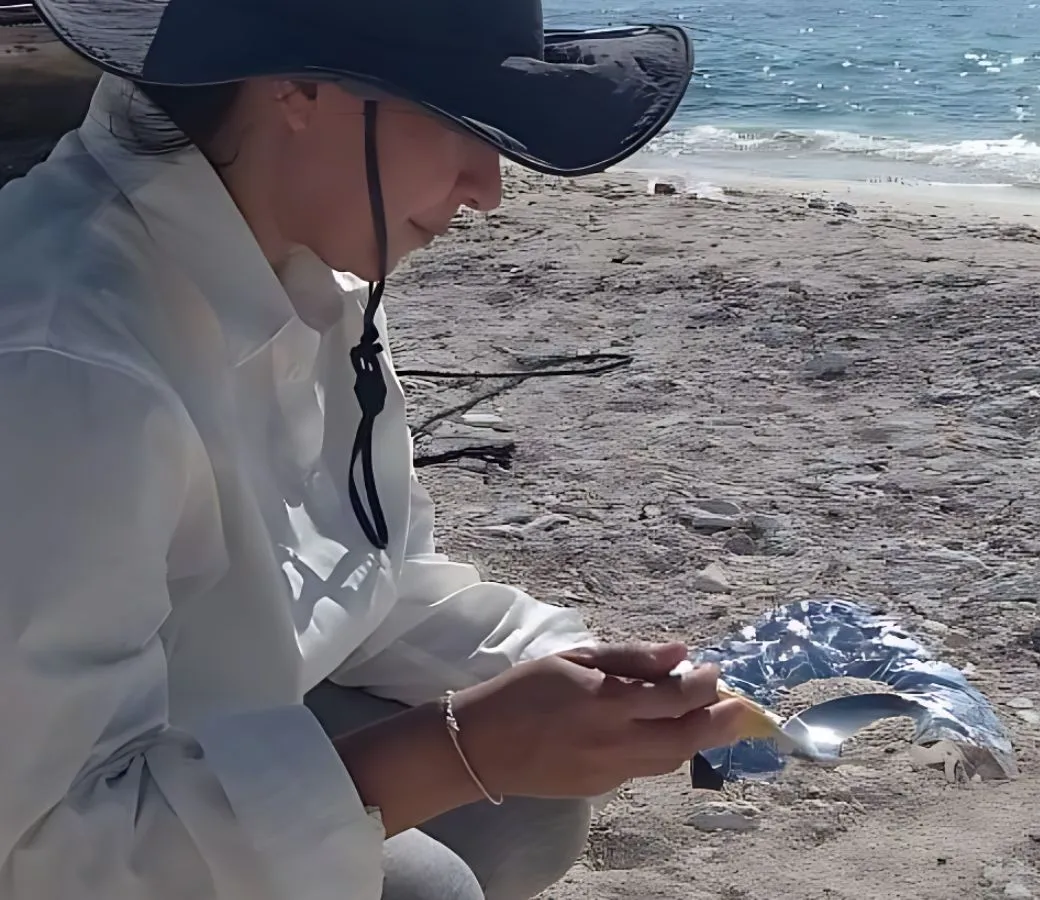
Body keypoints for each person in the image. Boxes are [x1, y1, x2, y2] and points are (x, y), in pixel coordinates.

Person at [0, 1, 753, 898]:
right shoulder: (67, 369)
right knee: (430, 881)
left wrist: (611, 675)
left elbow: (362, 583)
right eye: (457, 120)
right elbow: (48, 851)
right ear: (299, 89)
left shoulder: (305, 263)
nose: (490, 185)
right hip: (54, 824)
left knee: (524, 810)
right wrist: (454, 750)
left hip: (146, 726)